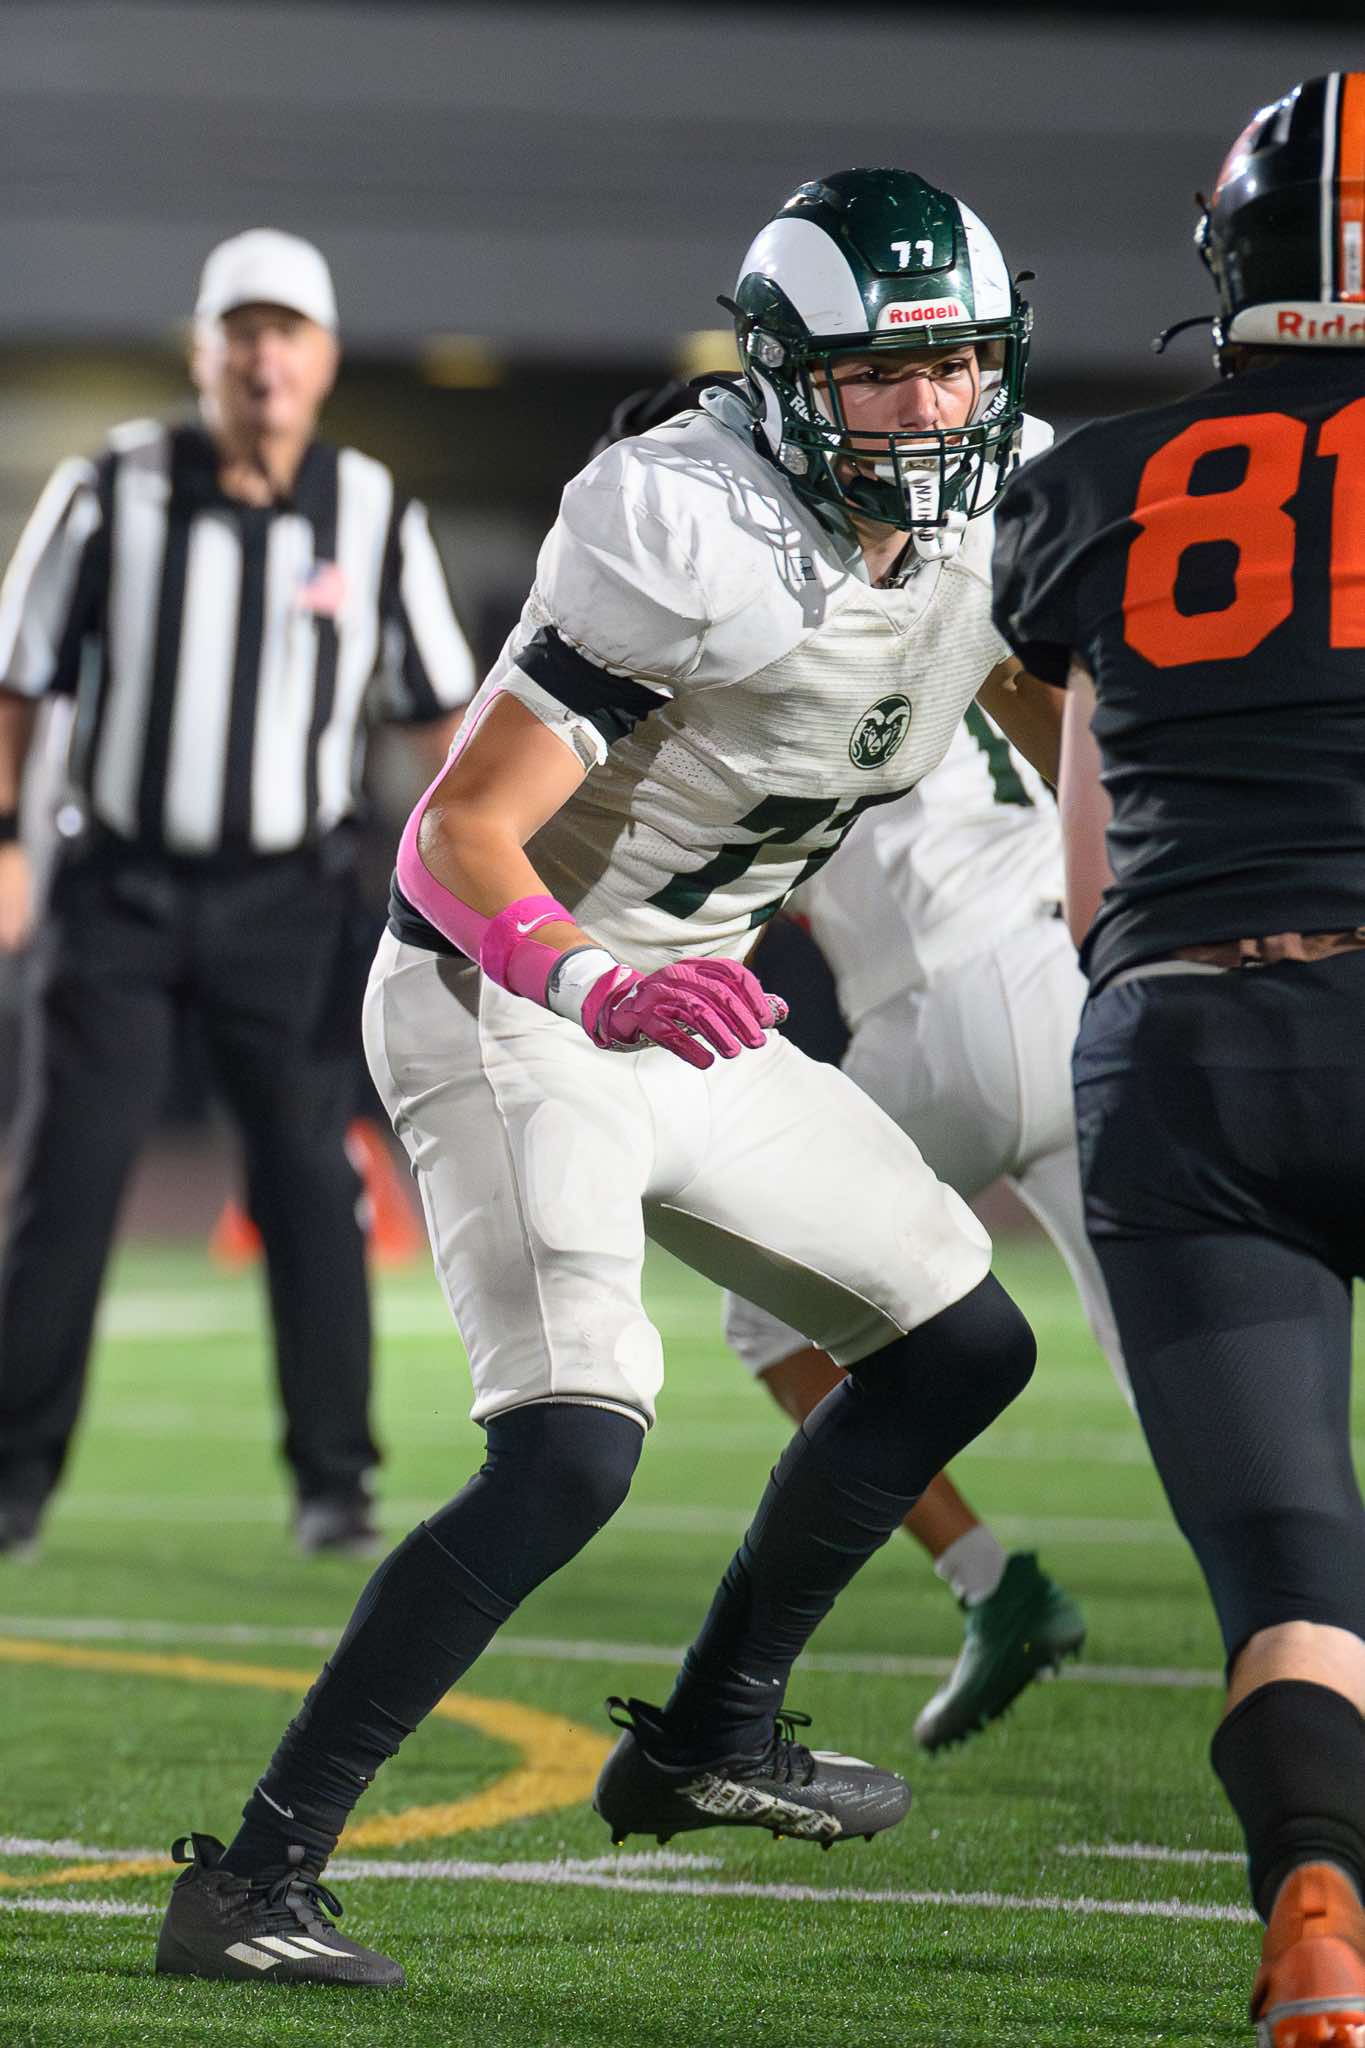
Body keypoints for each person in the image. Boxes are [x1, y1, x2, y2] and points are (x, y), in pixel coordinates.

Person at [154, 167, 1060, 1988]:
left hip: (692, 1000)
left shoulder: (1008, 504)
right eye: (881, 373)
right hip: (511, 994)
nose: (929, 406)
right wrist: (592, 979)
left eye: (957, 362)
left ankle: (717, 1726)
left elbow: (1061, 713)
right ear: (787, 377)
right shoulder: (684, 516)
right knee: (572, 1448)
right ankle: (251, 1880)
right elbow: (452, 838)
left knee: (963, 1342)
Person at [992, 74, 1365, 2045]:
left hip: (1183, 1045)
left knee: (1294, 1575)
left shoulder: (1090, 487)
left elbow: (1089, 880)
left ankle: (1319, 1895)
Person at [0, 228, 474, 1559]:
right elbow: (17, 675)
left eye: (288, 334)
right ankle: (12, 1477)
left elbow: (442, 720)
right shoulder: (112, 489)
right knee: (67, 1178)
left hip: (289, 903)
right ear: (202, 353)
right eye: (243, 333)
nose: (266, 359)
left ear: (324, 360)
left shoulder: (370, 510)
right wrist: (6, 839)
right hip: (121, 892)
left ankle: (335, 1480)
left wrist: (470, 885)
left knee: (311, 1183)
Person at [726, 702, 1131, 1751]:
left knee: (768, 1314)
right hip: (1079, 977)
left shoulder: (813, 657)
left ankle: (990, 1583)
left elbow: (737, 873)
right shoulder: (979, 632)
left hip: (940, 1009)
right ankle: (1309, 1626)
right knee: (1170, 1351)